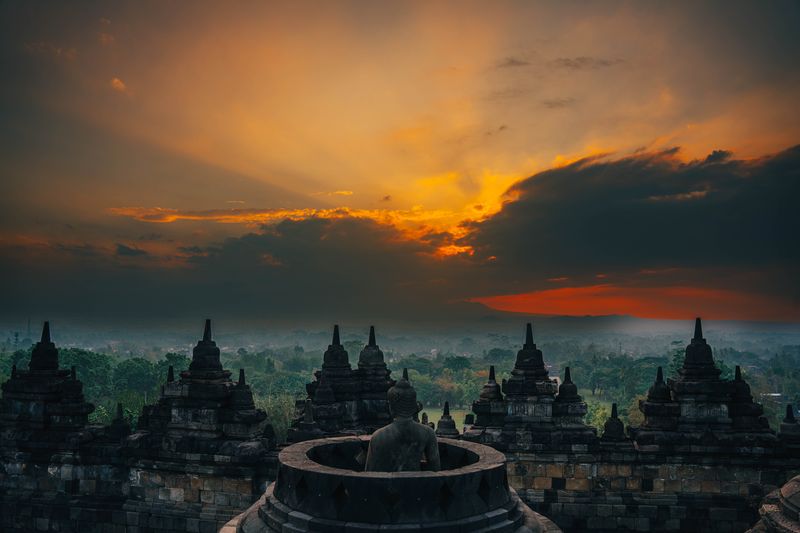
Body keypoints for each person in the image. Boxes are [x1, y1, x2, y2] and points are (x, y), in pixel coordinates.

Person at [365, 371, 441, 472]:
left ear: (391, 408)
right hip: (417, 485)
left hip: (386, 487)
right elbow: (436, 471)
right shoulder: (428, 433)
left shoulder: (378, 437)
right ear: (414, 407)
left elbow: (369, 473)